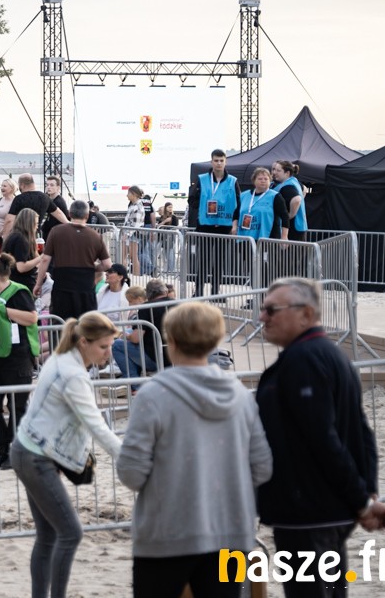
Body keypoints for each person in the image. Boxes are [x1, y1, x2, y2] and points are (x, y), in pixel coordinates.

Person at [116, 302, 272, 597]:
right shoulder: (241, 396)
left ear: (171, 341)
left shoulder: (153, 395)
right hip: (230, 530)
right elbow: (262, 466)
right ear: (216, 341)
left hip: (167, 532)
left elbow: (131, 472)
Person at [255, 278, 385, 596]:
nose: (262, 317)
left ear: (305, 314)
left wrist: (362, 500)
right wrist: (367, 492)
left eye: (271, 310)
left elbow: (324, 438)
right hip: (321, 509)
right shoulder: (329, 354)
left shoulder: (305, 359)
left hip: (308, 509)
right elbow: (361, 431)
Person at [11, 311, 123, 598]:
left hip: (30, 450)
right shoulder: (72, 374)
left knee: (48, 535)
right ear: (84, 342)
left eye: (110, 346)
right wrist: (127, 456)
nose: (108, 353)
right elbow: (95, 423)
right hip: (36, 456)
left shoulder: (62, 359)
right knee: (71, 533)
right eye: (103, 346)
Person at [0, 253, 39, 470]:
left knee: (17, 406)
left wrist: (3, 310)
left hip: (17, 356)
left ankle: (15, 451)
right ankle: (3, 449)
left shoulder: (18, 291)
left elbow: (31, 318)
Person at [34, 201, 112, 322]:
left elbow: (45, 259)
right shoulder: (95, 236)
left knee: (61, 325)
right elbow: (107, 264)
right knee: (85, 325)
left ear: (69, 214)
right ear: (87, 216)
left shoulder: (56, 231)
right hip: (85, 289)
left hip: (62, 288)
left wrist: (39, 283)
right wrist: (93, 267)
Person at [188, 148, 239, 295]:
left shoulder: (233, 181)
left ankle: (216, 291)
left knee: (219, 261)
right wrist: (203, 207)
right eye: (216, 160)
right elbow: (192, 200)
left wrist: (234, 223)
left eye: (221, 160)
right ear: (211, 162)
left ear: (225, 162)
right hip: (205, 225)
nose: (219, 163)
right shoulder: (202, 179)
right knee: (203, 260)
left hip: (224, 225)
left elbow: (238, 203)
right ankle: (198, 290)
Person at [112, 278, 171, 379]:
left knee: (117, 345)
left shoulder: (146, 308)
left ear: (148, 294)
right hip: (178, 358)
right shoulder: (179, 304)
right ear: (165, 291)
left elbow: (136, 339)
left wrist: (127, 336)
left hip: (156, 358)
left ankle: (134, 382)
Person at [236, 167, 284, 241]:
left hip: (268, 238)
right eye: (260, 179)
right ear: (254, 180)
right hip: (245, 237)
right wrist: (234, 226)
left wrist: (284, 236)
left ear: (270, 181)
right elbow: (236, 213)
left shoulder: (275, 196)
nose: (263, 181)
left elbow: (285, 217)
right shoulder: (243, 195)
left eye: (266, 179)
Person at [3, 209, 44, 292]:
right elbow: (21, 267)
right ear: (29, 223)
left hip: (12, 281)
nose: (37, 227)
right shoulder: (21, 240)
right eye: (36, 224)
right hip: (22, 284)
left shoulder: (15, 235)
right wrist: (41, 257)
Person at [271, 160, 308, 242]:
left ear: (287, 173)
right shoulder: (293, 181)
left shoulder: (287, 186)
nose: (274, 172)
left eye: (278, 170)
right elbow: (305, 189)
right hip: (299, 226)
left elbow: (297, 200)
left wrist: (290, 215)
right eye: (273, 169)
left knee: (292, 250)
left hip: (292, 229)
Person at [123, 186, 146, 276]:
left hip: (132, 233)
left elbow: (135, 224)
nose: (127, 195)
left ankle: (134, 276)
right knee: (128, 256)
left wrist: (127, 234)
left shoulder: (138, 206)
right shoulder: (133, 205)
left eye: (129, 193)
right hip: (130, 233)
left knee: (132, 256)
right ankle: (126, 276)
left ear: (134, 194)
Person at [40, 176, 70, 242]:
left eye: (52, 185)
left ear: (58, 188)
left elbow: (53, 222)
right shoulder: (50, 200)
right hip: (50, 235)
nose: (48, 187)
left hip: (56, 237)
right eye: (47, 185)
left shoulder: (59, 202)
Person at [0, 178, 17, 245]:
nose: (2, 188)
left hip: (5, 237)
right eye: (1, 186)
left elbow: (11, 221)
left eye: (4, 186)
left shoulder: (14, 202)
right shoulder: (0, 200)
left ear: (12, 188)